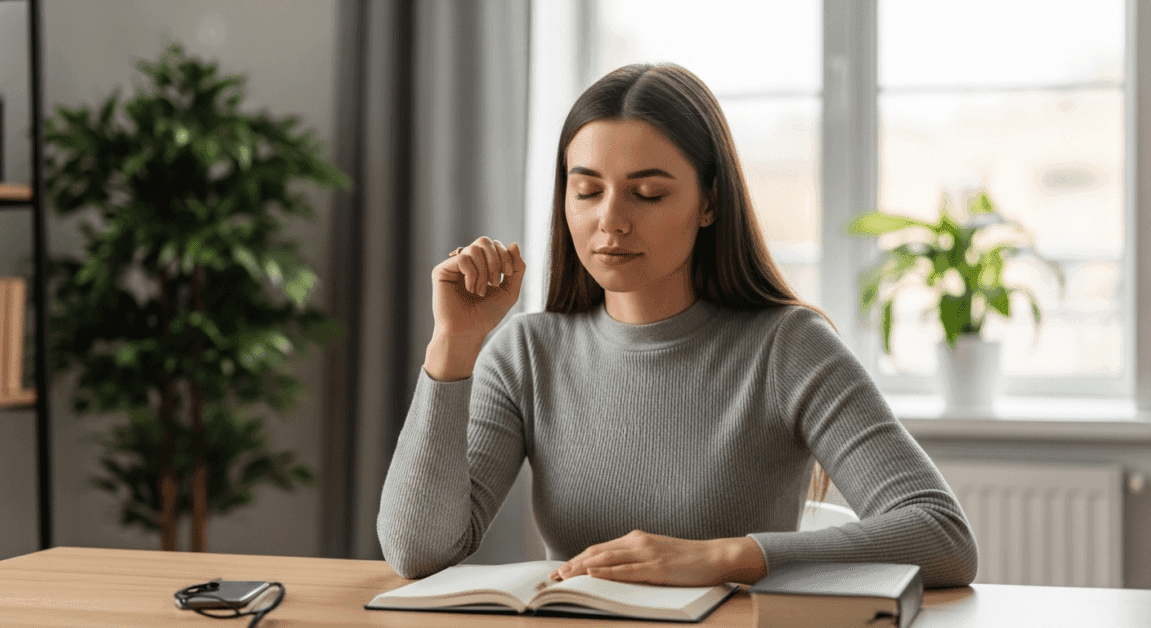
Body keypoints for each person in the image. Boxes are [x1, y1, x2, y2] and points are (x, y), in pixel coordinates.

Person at [378, 63, 978, 588]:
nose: (610, 222)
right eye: (587, 190)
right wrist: (454, 343)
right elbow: (417, 552)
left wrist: (724, 558)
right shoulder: (527, 352)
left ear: (710, 202)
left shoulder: (788, 346)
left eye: (647, 194)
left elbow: (943, 535)